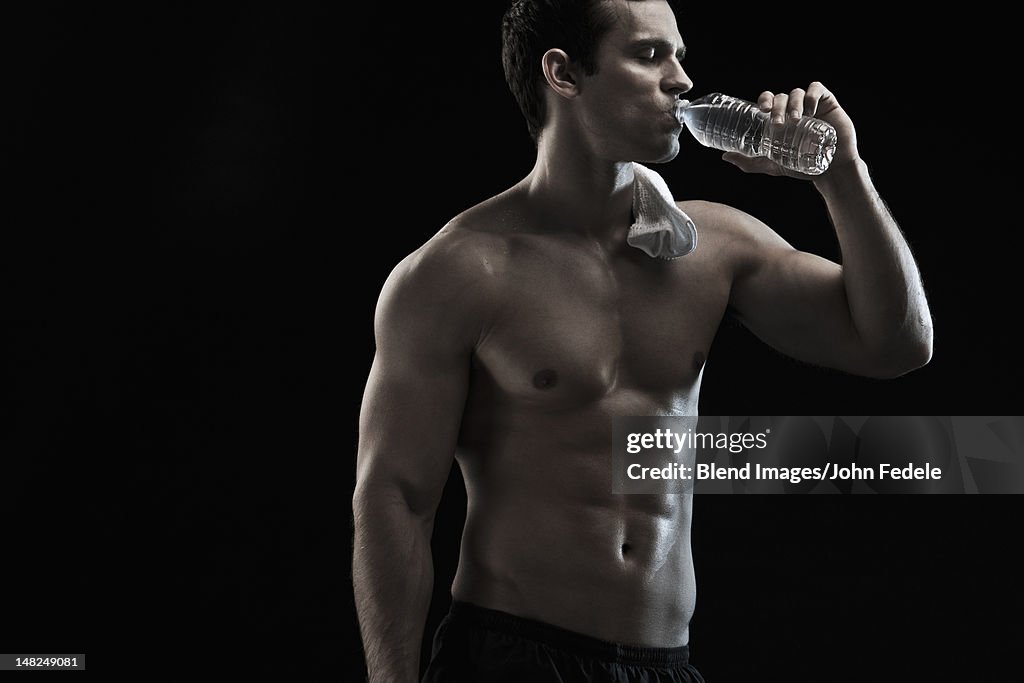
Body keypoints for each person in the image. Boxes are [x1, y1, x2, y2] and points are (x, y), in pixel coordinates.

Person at [352, 0, 933, 680]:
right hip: (511, 656)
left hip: (664, 663)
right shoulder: (457, 271)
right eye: (652, 55)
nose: (683, 80)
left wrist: (844, 177)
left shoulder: (714, 245)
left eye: (679, 55)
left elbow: (895, 344)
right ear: (564, 73)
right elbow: (395, 497)